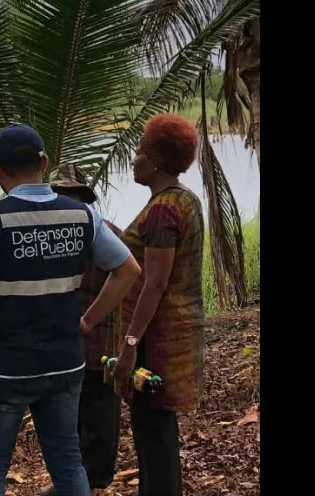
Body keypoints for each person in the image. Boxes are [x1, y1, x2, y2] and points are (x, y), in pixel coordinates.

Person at [0, 124, 141, 496]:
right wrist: (89, 319)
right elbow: (128, 270)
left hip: (5, 368)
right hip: (64, 363)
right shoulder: (82, 215)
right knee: (67, 462)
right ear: (44, 163)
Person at [114, 114, 206, 496]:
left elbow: (154, 283)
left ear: (156, 161)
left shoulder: (163, 209)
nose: (134, 160)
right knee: (157, 433)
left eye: (139, 152)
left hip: (158, 338)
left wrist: (129, 348)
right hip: (176, 332)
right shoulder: (184, 200)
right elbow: (152, 257)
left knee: (154, 435)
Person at [40, 166, 124, 496]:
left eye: (71, 195)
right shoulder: (43, 238)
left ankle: (94, 482)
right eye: (60, 195)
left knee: (101, 419)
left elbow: (131, 281)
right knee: (68, 422)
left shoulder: (108, 235)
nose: (65, 201)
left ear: (83, 200)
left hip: (100, 344)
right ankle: (73, 482)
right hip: (60, 348)